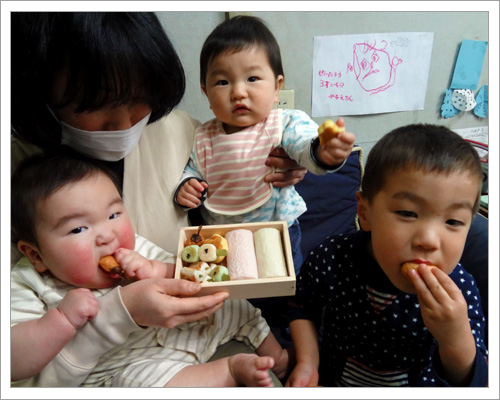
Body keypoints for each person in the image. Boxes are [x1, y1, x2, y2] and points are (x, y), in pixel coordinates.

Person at [10, 12, 306, 383]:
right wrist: (120, 313)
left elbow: (242, 162)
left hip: (199, 323)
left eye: (139, 99)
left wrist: (286, 163)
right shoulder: (19, 180)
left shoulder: (184, 133)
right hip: (122, 365)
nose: (124, 124)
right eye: (96, 105)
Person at [11, 151, 291, 387]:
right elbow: (13, 363)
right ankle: (230, 370)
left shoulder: (136, 249)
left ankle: (277, 358)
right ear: (35, 255)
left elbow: (186, 276)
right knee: (141, 382)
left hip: (189, 329)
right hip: (134, 363)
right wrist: (61, 320)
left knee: (231, 303)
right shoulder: (28, 282)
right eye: (78, 229)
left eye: (113, 214)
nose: (107, 235)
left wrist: (158, 269)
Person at [285, 124, 488, 387]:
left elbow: (476, 382)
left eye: (453, 221)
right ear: (365, 213)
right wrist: (307, 362)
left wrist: (455, 339)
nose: (428, 240)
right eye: (407, 213)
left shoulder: (460, 290)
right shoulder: (333, 256)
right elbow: (302, 306)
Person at [175, 16, 355, 275]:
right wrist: (187, 186)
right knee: (231, 288)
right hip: (220, 236)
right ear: (206, 92)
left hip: (276, 228)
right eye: (223, 82)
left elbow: (303, 145)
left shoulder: (283, 123)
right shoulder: (203, 136)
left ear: (276, 87)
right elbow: (194, 169)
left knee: (282, 286)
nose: (238, 92)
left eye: (252, 78)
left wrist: (323, 152)